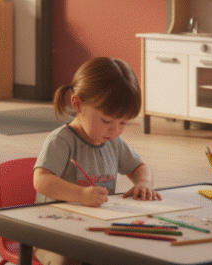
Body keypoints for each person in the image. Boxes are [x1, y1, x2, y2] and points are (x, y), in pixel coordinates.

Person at [31, 57, 161, 265]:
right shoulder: (61, 141)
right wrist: (81, 194)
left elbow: (140, 168)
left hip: (95, 230)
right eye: (107, 121)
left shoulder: (113, 142)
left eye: (123, 122)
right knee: (69, 259)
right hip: (53, 234)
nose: (115, 130)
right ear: (78, 104)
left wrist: (143, 183)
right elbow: (41, 180)